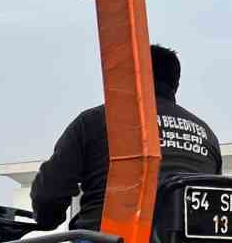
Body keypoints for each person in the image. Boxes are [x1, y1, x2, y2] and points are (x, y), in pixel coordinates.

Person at [30, 45, 221, 233]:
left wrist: (47, 219)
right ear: (175, 85)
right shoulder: (207, 135)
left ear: (127, 76)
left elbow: (49, 194)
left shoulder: (93, 122)